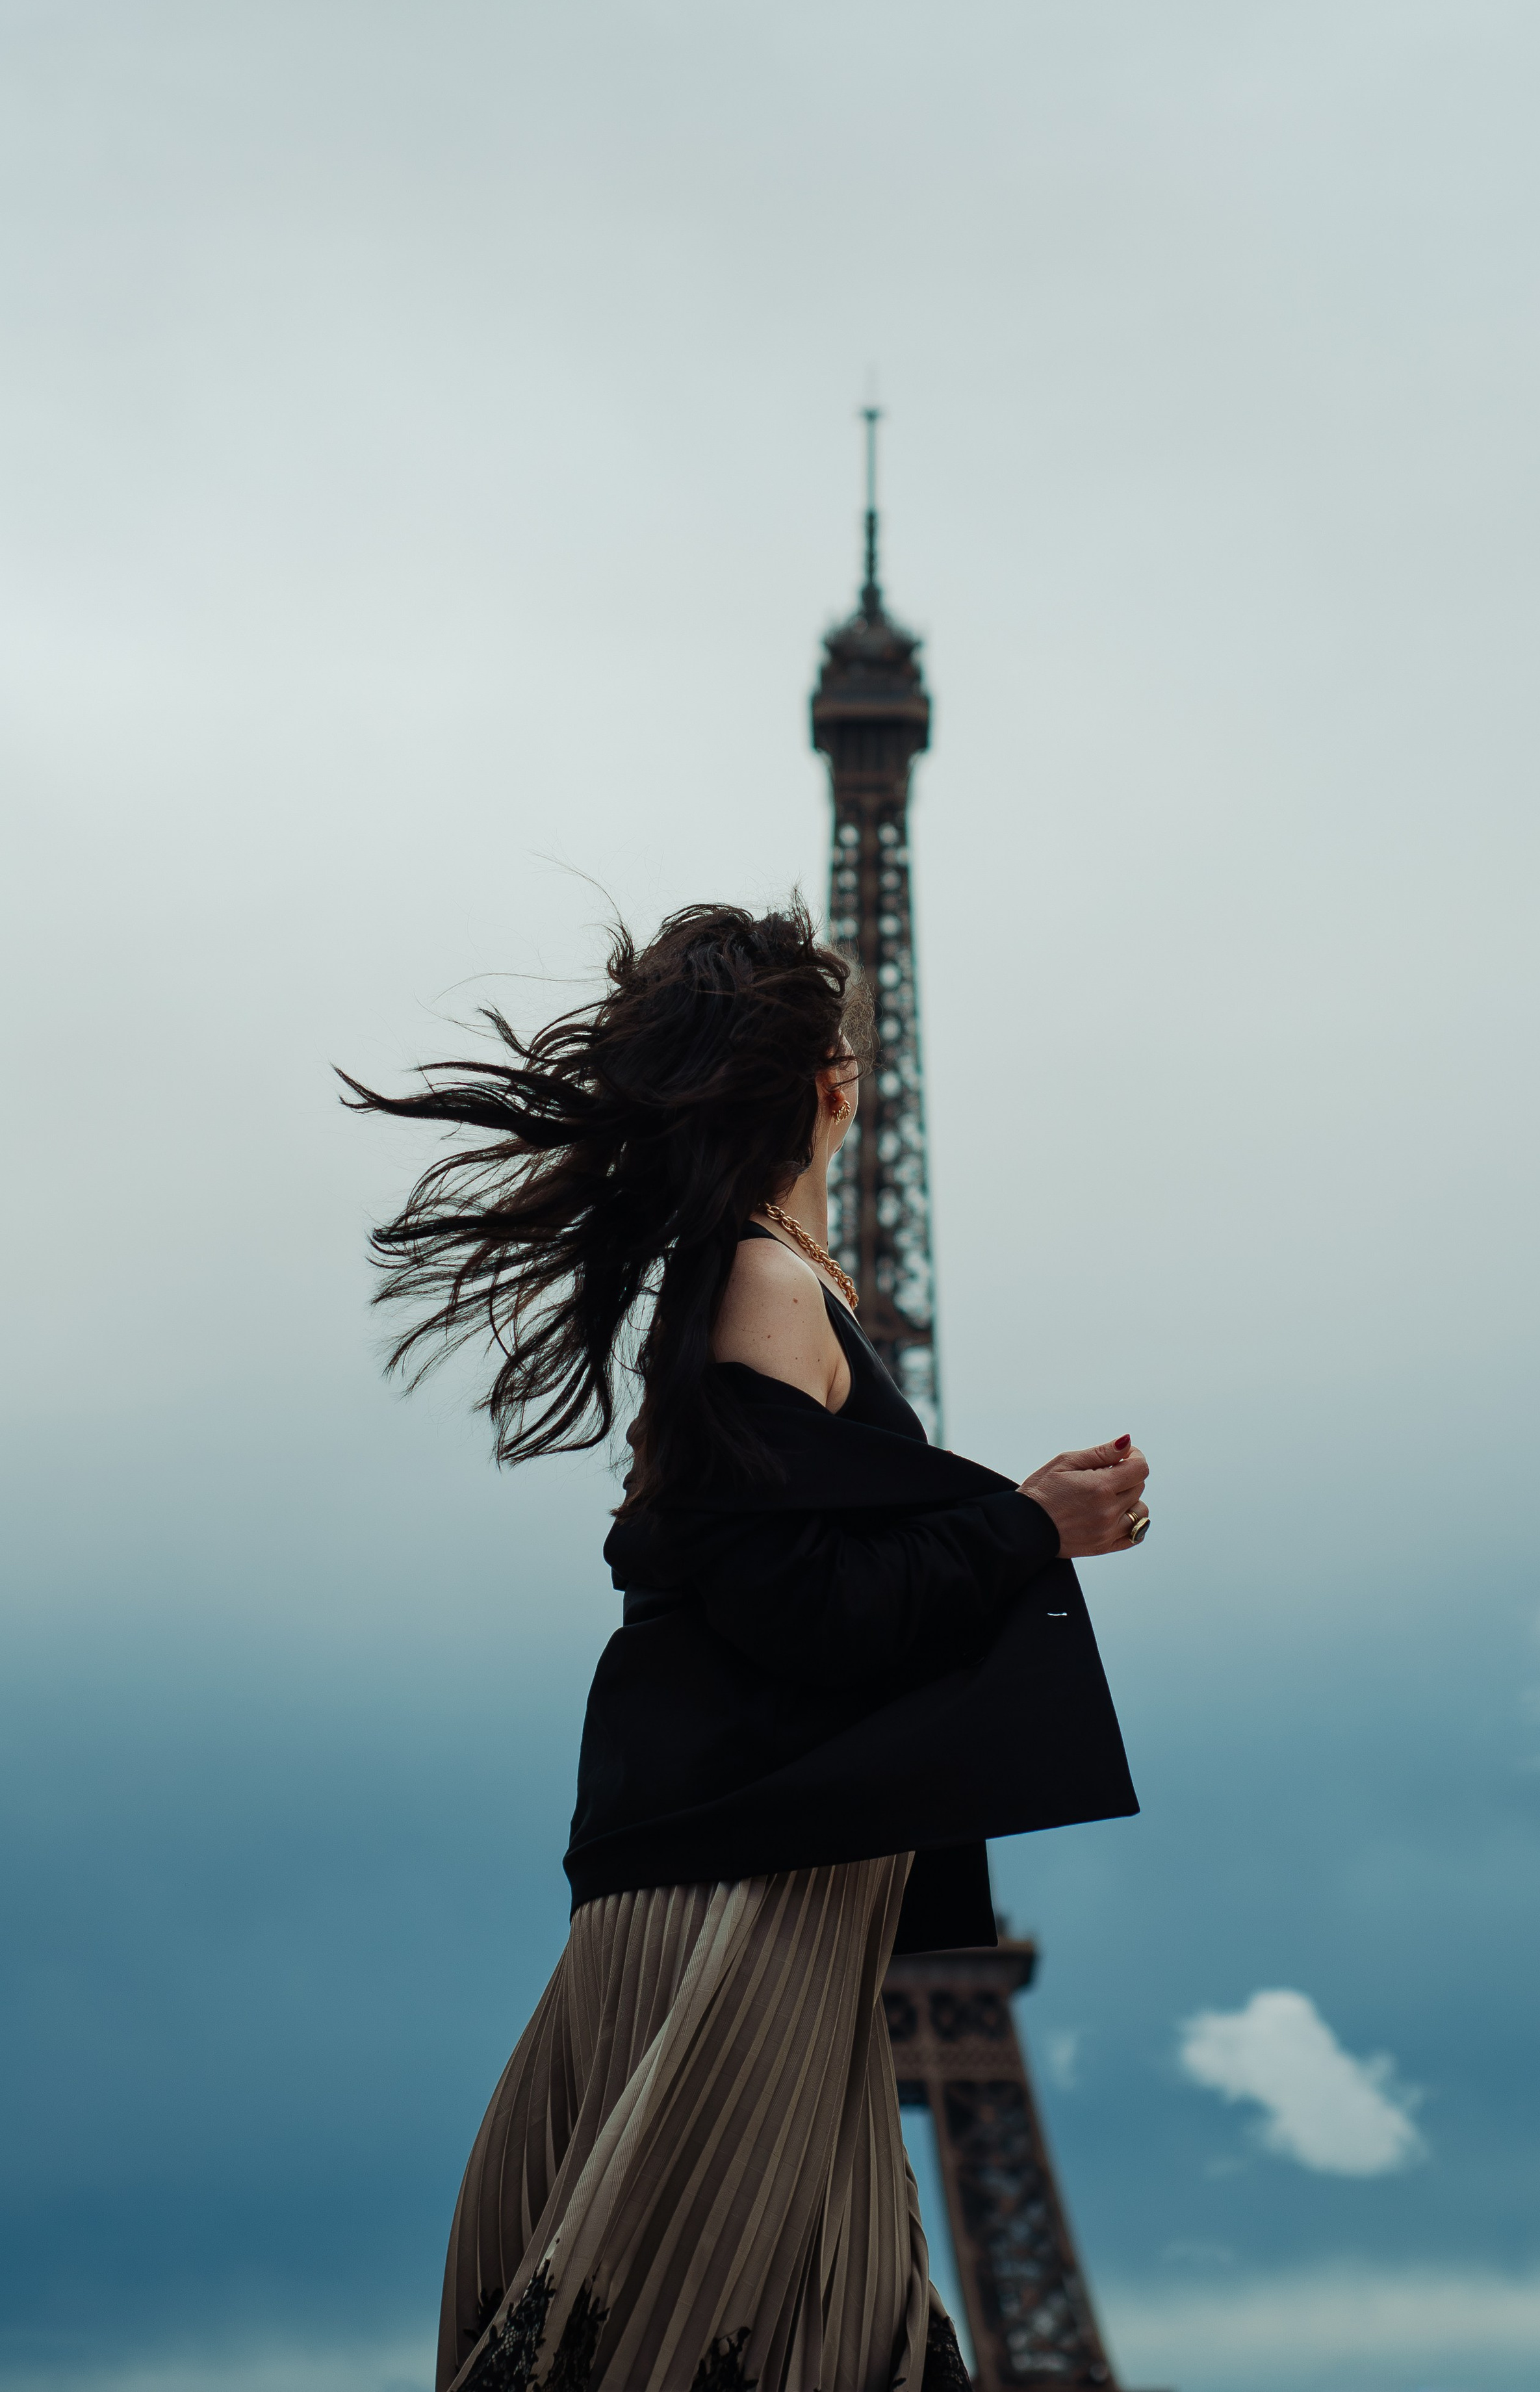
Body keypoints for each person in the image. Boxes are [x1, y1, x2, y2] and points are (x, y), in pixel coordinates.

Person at [345, 899, 1149, 2392]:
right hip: (745, 1902)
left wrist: (1034, 1526)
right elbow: (810, 1613)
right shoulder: (764, 1285)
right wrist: (1027, 1524)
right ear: (832, 1085)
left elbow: (786, 1579)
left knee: (782, 2331)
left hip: (765, 1888)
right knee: (747, 2338)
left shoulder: (764, 1278)